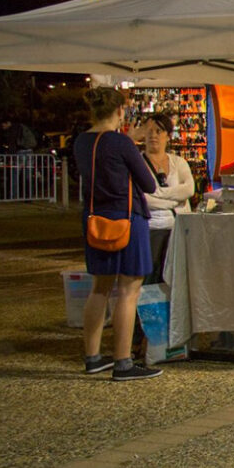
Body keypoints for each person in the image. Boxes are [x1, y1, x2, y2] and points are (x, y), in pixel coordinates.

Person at [72, 87, 161, 380]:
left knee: (99, 288)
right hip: (127, 219)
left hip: (95, 220)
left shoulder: (81, 142)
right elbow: (148, 184)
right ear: (120, 112)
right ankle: (123, 361)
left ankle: (93, 357)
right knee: (128, 290)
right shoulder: (121, 143)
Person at [140, 112, 196, 280]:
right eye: (149, 131)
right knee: (149, 278)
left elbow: (188, 189)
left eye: (158, 131)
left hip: (177, 228)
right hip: (150, 228)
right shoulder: (137, 162)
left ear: (168, 136)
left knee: (174, 278)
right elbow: (142, 199)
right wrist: (173, 201)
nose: (153, 136)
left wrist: (159, 193)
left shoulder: (178, 162)